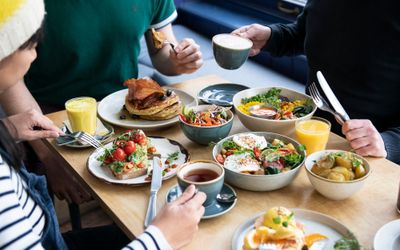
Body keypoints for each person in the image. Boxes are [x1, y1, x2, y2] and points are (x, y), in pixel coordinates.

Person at [0, 1, 206, 249]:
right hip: (54, 118)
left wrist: (7, 130)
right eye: (32, 45)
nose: (36, 54)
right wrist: (160, 240)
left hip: (126, 116)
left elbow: (162, 46)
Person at [232, 0, 400, 164]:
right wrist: (271, 36)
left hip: (370, 156)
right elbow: (305, 32)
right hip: (309, 135)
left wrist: (388, 143)